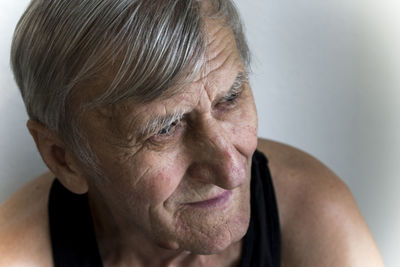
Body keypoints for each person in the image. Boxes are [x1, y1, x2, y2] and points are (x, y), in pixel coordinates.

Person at [0, 0, 384, 266]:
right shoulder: (15, 254)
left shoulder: (316, 217)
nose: (232, 171)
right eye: (165, 128)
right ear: (63, 158)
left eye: (230, 98)